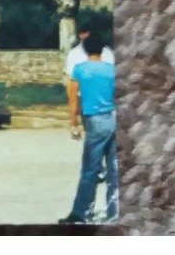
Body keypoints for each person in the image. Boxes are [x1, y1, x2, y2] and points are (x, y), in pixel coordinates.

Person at [59, 36, 119, 225]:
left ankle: (82, 211)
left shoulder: (80, 69)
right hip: (112, 118)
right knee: (114, 168)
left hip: (94, 119)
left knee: (90, 169)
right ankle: (114, 211)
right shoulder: (112, 70)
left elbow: (72, 98)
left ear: (84, 49)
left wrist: (73, 123)